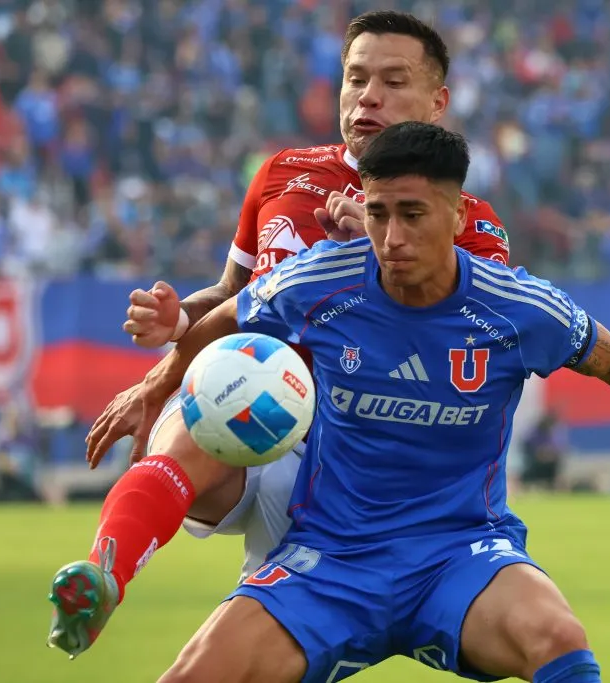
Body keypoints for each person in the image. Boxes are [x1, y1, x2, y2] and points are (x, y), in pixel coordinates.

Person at [128, 122, 610, 683]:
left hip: (461, 554)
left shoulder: (517, 305)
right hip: (330, 561)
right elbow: (225, 318)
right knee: (191, 675)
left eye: (412, 214)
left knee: (559, 638)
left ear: (459, 215)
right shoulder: (319, 279)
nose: (391, 237)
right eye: (378, 214)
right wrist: (165, 373)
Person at [46, 11, 510, 658]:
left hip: (365, 473)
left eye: (393, 81)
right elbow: (235, 294)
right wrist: (179, 323)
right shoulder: (282, 173)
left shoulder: (469, 223)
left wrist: (379, 248)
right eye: (356, 79)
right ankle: (102, 576)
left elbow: (468, 351)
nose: (368, 97)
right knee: (202, 411)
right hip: (262, 423)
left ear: (438, 102)